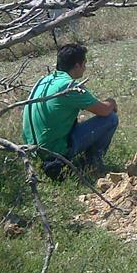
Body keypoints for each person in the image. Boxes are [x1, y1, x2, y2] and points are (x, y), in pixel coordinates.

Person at [22, 43, 119, 179]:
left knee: (80, 120)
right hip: (54, 151)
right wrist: (111, 102)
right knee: (111, 118)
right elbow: (103, 111)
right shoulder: (69, 87)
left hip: (32, 151)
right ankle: (91, 165)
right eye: (84, 63)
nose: (85, 67)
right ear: (77, 65)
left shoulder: (44, 80)